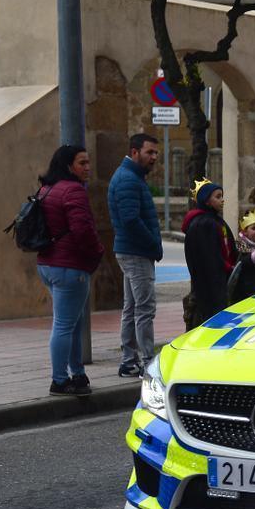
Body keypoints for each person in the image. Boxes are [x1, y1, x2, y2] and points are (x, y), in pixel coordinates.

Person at [36, 145, 103, 396]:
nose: (87, 167)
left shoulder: (47, 188)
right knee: (64, 324)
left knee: (72, 323)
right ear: (68, 166)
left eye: (88, 162)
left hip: (47, 264)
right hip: (69, 267)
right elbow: (82, 230)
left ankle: (78, 374)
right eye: (82, 163)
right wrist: (97, 253)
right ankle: (60, 380)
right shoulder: (73, 190)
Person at [108, 133, 162, 378]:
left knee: (131, 308)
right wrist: (152, 245)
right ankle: (147, 361)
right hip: (136, 251)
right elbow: (131, 220)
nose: (154, 158)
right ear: (134, 152)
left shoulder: (131, 177)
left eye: (155, 153)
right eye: (149, 152)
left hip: (130, 250)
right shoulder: (129, 179)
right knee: (144, 309)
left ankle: (129, 361)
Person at [182, 180, 237, 327]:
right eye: (218, 197)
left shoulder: (215, 221)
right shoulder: (203, 224)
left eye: (222, 196)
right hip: (210, 286)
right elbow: (209, 259)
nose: (222, 200)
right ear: (206, 201)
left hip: (221, 279)